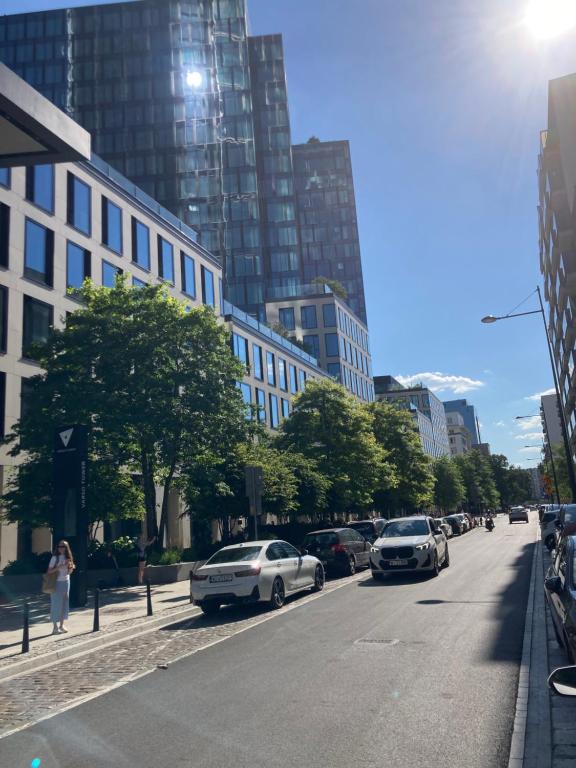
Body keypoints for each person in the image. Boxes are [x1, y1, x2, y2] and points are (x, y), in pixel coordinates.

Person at [47, 540, 75, 634]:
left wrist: (71, 568)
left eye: (63, 546)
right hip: (56, 583)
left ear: (66, 548)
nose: (61, 548)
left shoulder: (68, 558)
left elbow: (69, 572)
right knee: (55, 604)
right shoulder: (55, 558)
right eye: (59, 546)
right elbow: (49, 571)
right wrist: (61, 566)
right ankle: (55, 627)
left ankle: (61, 625)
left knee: (64, 604)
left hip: (66, 581)